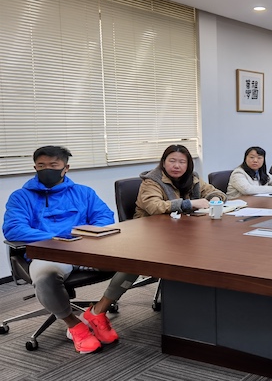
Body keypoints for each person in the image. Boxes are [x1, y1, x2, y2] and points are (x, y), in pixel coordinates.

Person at [2, 146, 138, 354]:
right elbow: (14, 228)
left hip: (86, 249)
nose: (47, 170)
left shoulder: (84, 193)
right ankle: (74, 325)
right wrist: (60, 236)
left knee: (135, 260)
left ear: (66, 168)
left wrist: (84, 236)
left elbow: (104, 218)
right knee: (45, 275)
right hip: (50, 253)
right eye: (41, 166)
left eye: (53, 165)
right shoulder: (21, 197)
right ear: (35, 168)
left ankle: (98, 311)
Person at [134, 144, 226, 218]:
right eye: (172, 161)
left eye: (182, 162)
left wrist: (215, 199)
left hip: (182, 222)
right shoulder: (151, 181)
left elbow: (214, 192)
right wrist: (188, 204)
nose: (176, 166)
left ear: (188, 165)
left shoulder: (193, 178)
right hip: (150, 226)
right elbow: (154, 207)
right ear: (163, 163)